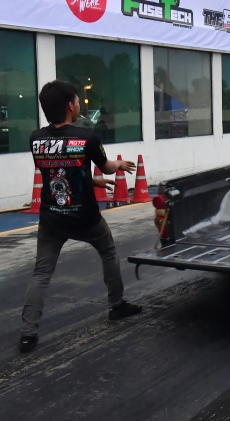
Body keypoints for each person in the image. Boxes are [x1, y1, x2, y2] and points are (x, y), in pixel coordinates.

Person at [20, 81, 142, 353]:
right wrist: (118, 165)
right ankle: (117, 304)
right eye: (77, 100)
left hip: (51, 218)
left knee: (41, 273)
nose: (78, 104)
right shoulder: (87, 137)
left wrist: (93, 182)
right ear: (70, 106)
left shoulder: (36, 139)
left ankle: (28, 332)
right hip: (85, 217)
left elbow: (59, 170)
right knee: (108, 251)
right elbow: (107, 167)